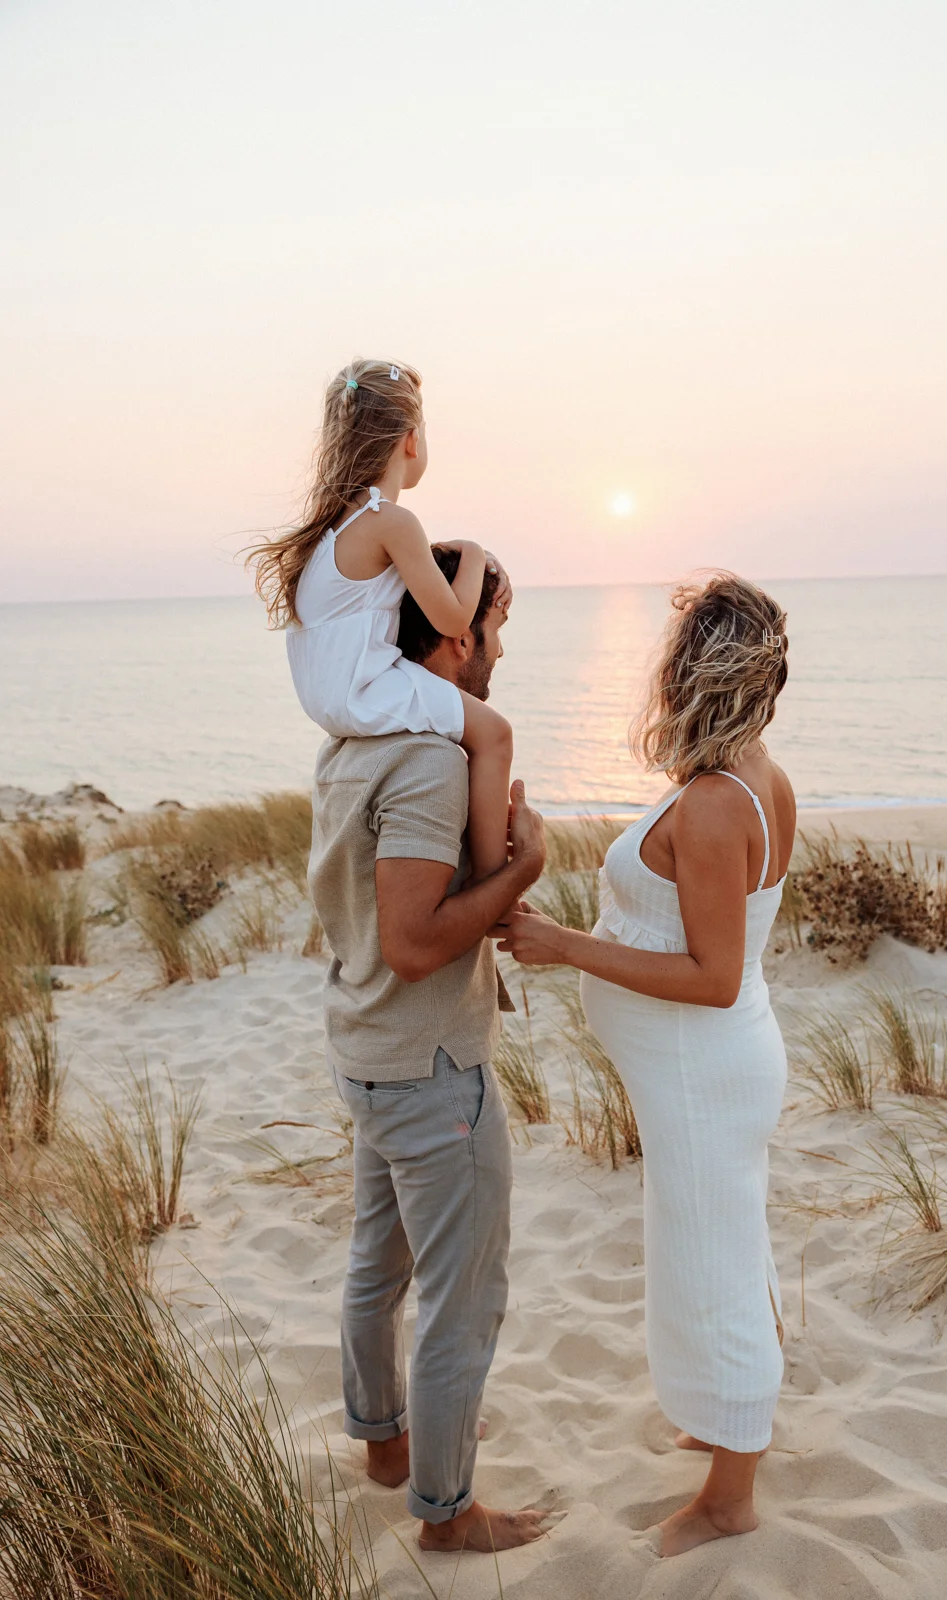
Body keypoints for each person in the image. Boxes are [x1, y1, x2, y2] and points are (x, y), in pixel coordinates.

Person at [496, 571, 794, 1559]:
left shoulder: (715, 803)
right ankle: (716, 1420)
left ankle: (728, 1498)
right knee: (706, 1245)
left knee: (713, 1262)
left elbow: (710, 974)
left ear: (689, 671)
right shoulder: (750, 771)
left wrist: (565, 945)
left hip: (702, 1063)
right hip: (705, 1067)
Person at [305, 548, 549, 1554]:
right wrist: (524, 865)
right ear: (455, 635)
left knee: (380, 1262)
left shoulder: (352, 737)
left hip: (365, 1051)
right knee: (463, 1295)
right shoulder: (428, 759)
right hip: (430, 1070)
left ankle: (386, 1443)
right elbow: (414, 943)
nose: (500, 645)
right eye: (494, 624)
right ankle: (447, 1514)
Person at [248, 358, 513, 882]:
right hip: (365, 692)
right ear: (411, 441)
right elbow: (453, 618)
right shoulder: (389, 521)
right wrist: (477, 551)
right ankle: (492, 880)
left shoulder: (331, 527)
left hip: (332, 700)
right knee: (495, 734)